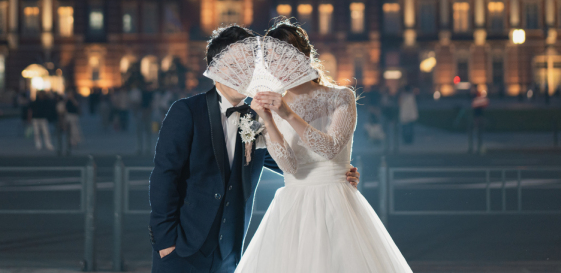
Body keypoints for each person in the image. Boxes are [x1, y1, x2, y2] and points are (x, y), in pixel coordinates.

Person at [148, 24, 361, 273]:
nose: (245, 72)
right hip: (183, 247)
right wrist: (165, 242)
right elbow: (165, 176)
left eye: (251, 64)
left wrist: (338, 171)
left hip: (228, 251)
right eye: (237, 65)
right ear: (216, 69)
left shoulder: (257, 118)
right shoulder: (186, 112)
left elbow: (289, 161)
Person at [238, 21, 412, 273]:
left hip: (336, 201)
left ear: (305, 56)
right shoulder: (273, 106)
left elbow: (329, 149)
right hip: (293, 206)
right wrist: (267, 119)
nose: (278, 66)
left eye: (285, 57)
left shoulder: (340, 97)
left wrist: (287, 114)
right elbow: (288, 166)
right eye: (272, 60)